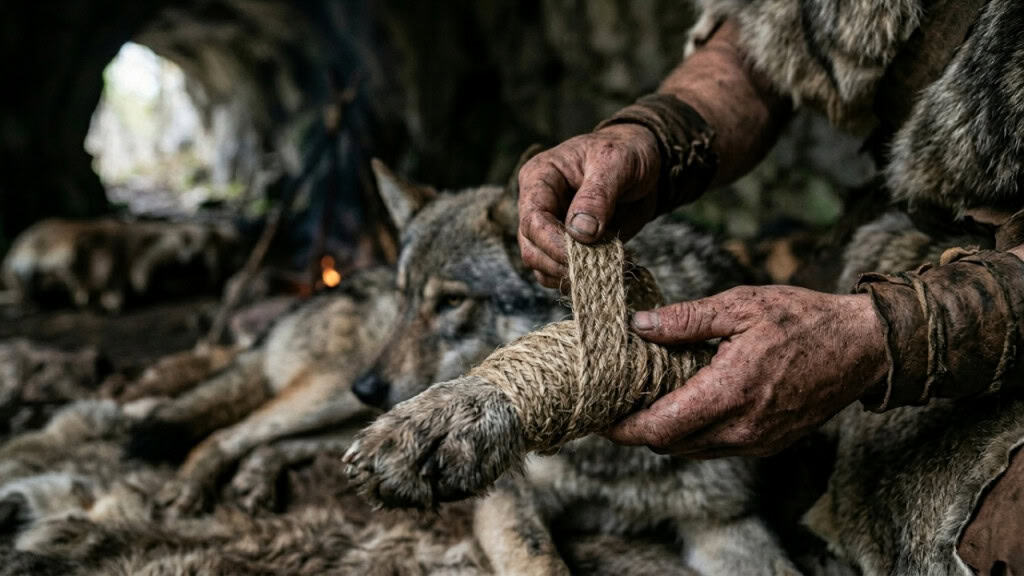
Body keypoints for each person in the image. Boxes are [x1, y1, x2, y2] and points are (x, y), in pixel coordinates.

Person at [517, 2, 1024, 574]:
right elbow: (760, 44)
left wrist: (892, 335)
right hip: (910, 236)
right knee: (775, 465)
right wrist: (651, 136)